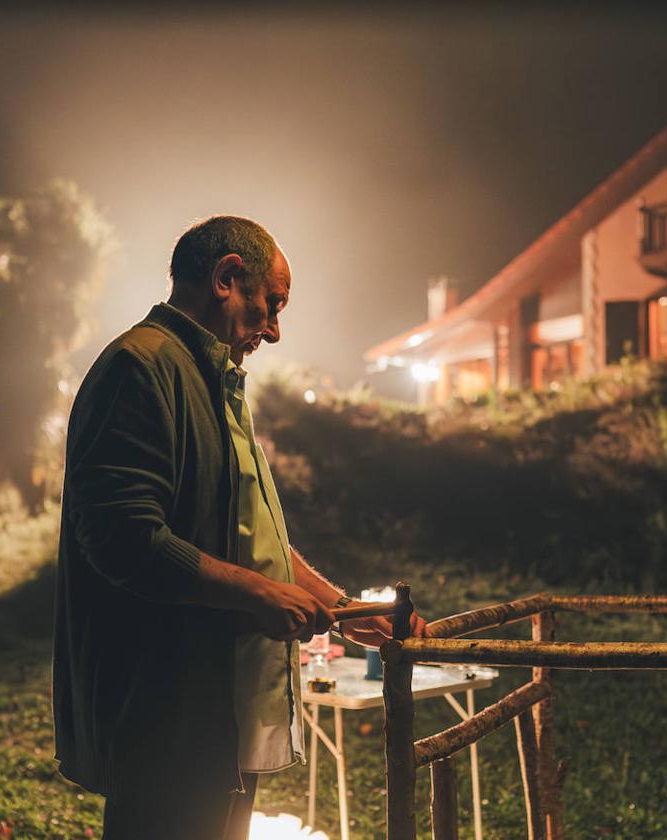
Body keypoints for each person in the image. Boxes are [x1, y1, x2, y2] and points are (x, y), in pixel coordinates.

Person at [52, 216, 428, 839]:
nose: (275, 330)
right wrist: (256, 594)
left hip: (221, 709)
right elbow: (121, 537)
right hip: (167, 707)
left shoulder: (212, 377)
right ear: (227, 278)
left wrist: (337, 604)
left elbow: (251, 535)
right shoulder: (139, 366)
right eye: (271, 304)